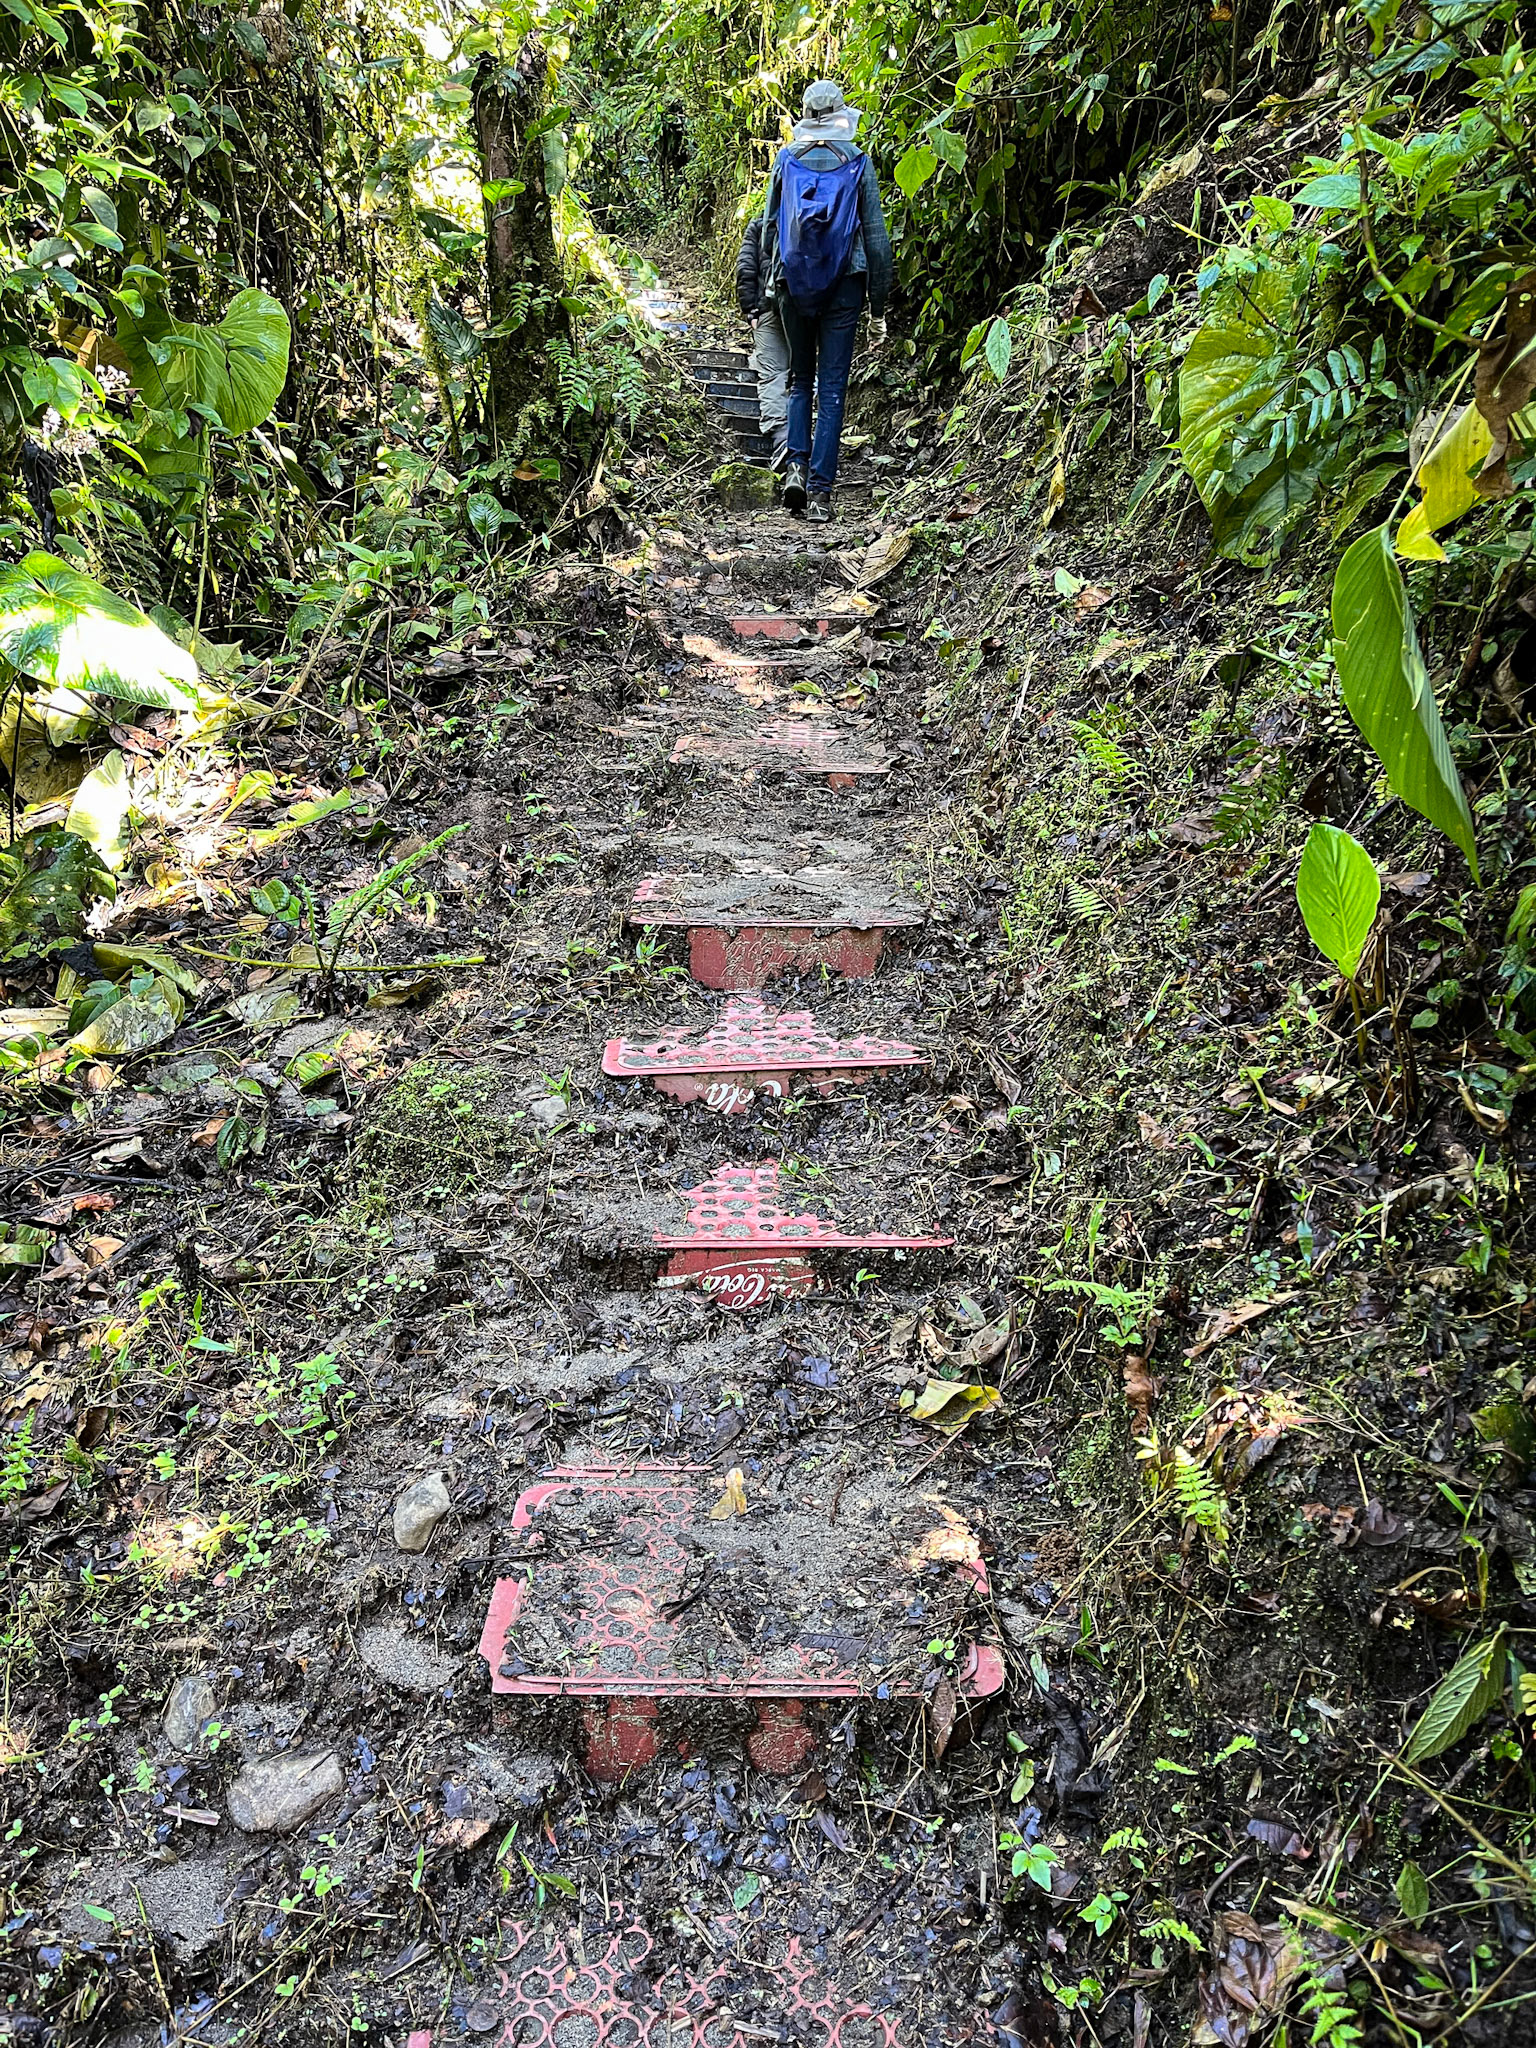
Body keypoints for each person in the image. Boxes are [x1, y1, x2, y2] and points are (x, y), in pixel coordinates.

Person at [760, 80, 890, 525]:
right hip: (845, 284)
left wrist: (770, 284)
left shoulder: (785, 161)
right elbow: (877, 241)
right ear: (840, 113)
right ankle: (820, 495)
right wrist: (878, 309)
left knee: (800, 379)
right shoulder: (858, 162)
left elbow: (769, 230)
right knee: (832, 388)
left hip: (792, 282)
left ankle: (795, 466)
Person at [735, 216, 789, 470]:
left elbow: (746, 266)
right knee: (804, 373)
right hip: (809, 307)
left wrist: (750, 309)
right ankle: (804, 439)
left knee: (773, 372)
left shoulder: (761, 226)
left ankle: (782, 438)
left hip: (769, 307)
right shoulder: (817, 216)